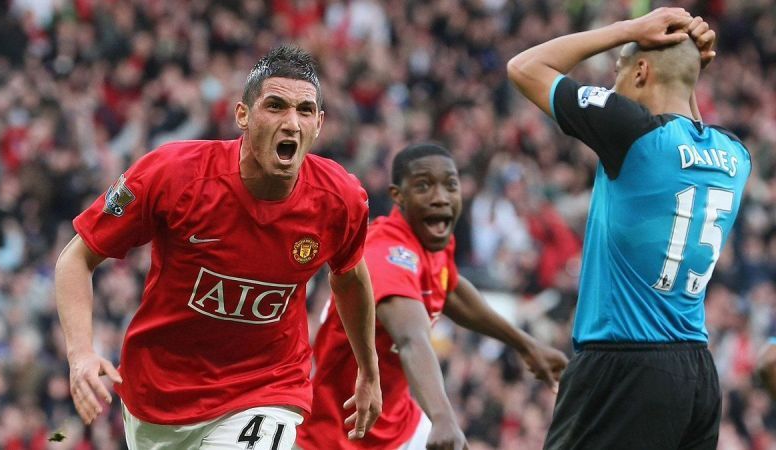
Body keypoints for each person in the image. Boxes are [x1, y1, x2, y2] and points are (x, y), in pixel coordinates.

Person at [54, 45, 382, 449]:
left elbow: (349, 278)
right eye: (275, 106)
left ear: (319, 124)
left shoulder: (340, 198)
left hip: (268, 388)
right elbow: (77, 258)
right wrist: (81, 354)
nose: (291, 122)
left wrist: (368, 368)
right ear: (242, 115)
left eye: (304, 110)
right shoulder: (172, 175)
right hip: (159, 395)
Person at [507, 8, 751, 449]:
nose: (612, 87)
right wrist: (687, 66)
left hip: (623, 366)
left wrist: (631, 29)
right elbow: (684, 112)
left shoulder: (632, 135)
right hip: (696, 374)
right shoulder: (735, 155)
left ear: (640, 71)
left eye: (617, 73)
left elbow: (524, 68)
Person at [296, 143, 568, 450]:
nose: (440, 197)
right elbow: (412, 338)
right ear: (398, 196)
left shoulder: (431, 240)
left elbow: (450, 288)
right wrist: (443, 417)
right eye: (424, 185)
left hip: (400, 423)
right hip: (340, 436)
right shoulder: (386, 254)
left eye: (450, 185)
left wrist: (525, 344)